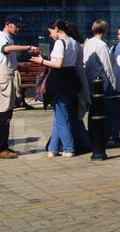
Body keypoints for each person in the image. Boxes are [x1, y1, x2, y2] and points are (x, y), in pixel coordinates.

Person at [32, 20, 81, 158]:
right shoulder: (73, 42)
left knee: (61, 117)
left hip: (60, 81)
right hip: (71, 80)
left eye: (50, 31)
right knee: (61, 116)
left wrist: (41, 61)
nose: (50, 35)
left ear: (57, 29)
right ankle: (53, 148)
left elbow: (58, 64)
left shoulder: (60, 42)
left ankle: (69, 148)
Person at [0, 15, 38, 159]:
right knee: (3, 114)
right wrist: (28, 47)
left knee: (7, 114)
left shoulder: (10, 38)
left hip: (9, 77)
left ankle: (3, 145)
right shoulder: (2, 37)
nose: (18, 29)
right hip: (3, 78)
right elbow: (7, 49)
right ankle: (1, 148)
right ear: (8, 24)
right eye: (17, 26)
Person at [83, 19, 118, 136]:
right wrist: (113, 83)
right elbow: (107, 66)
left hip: (89, 81)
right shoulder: (102, 45)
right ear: (105, 30)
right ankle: (104, 136)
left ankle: (93, 134)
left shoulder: (88, 42)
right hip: (102, 83)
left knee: (93, 111)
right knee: (106, 112)